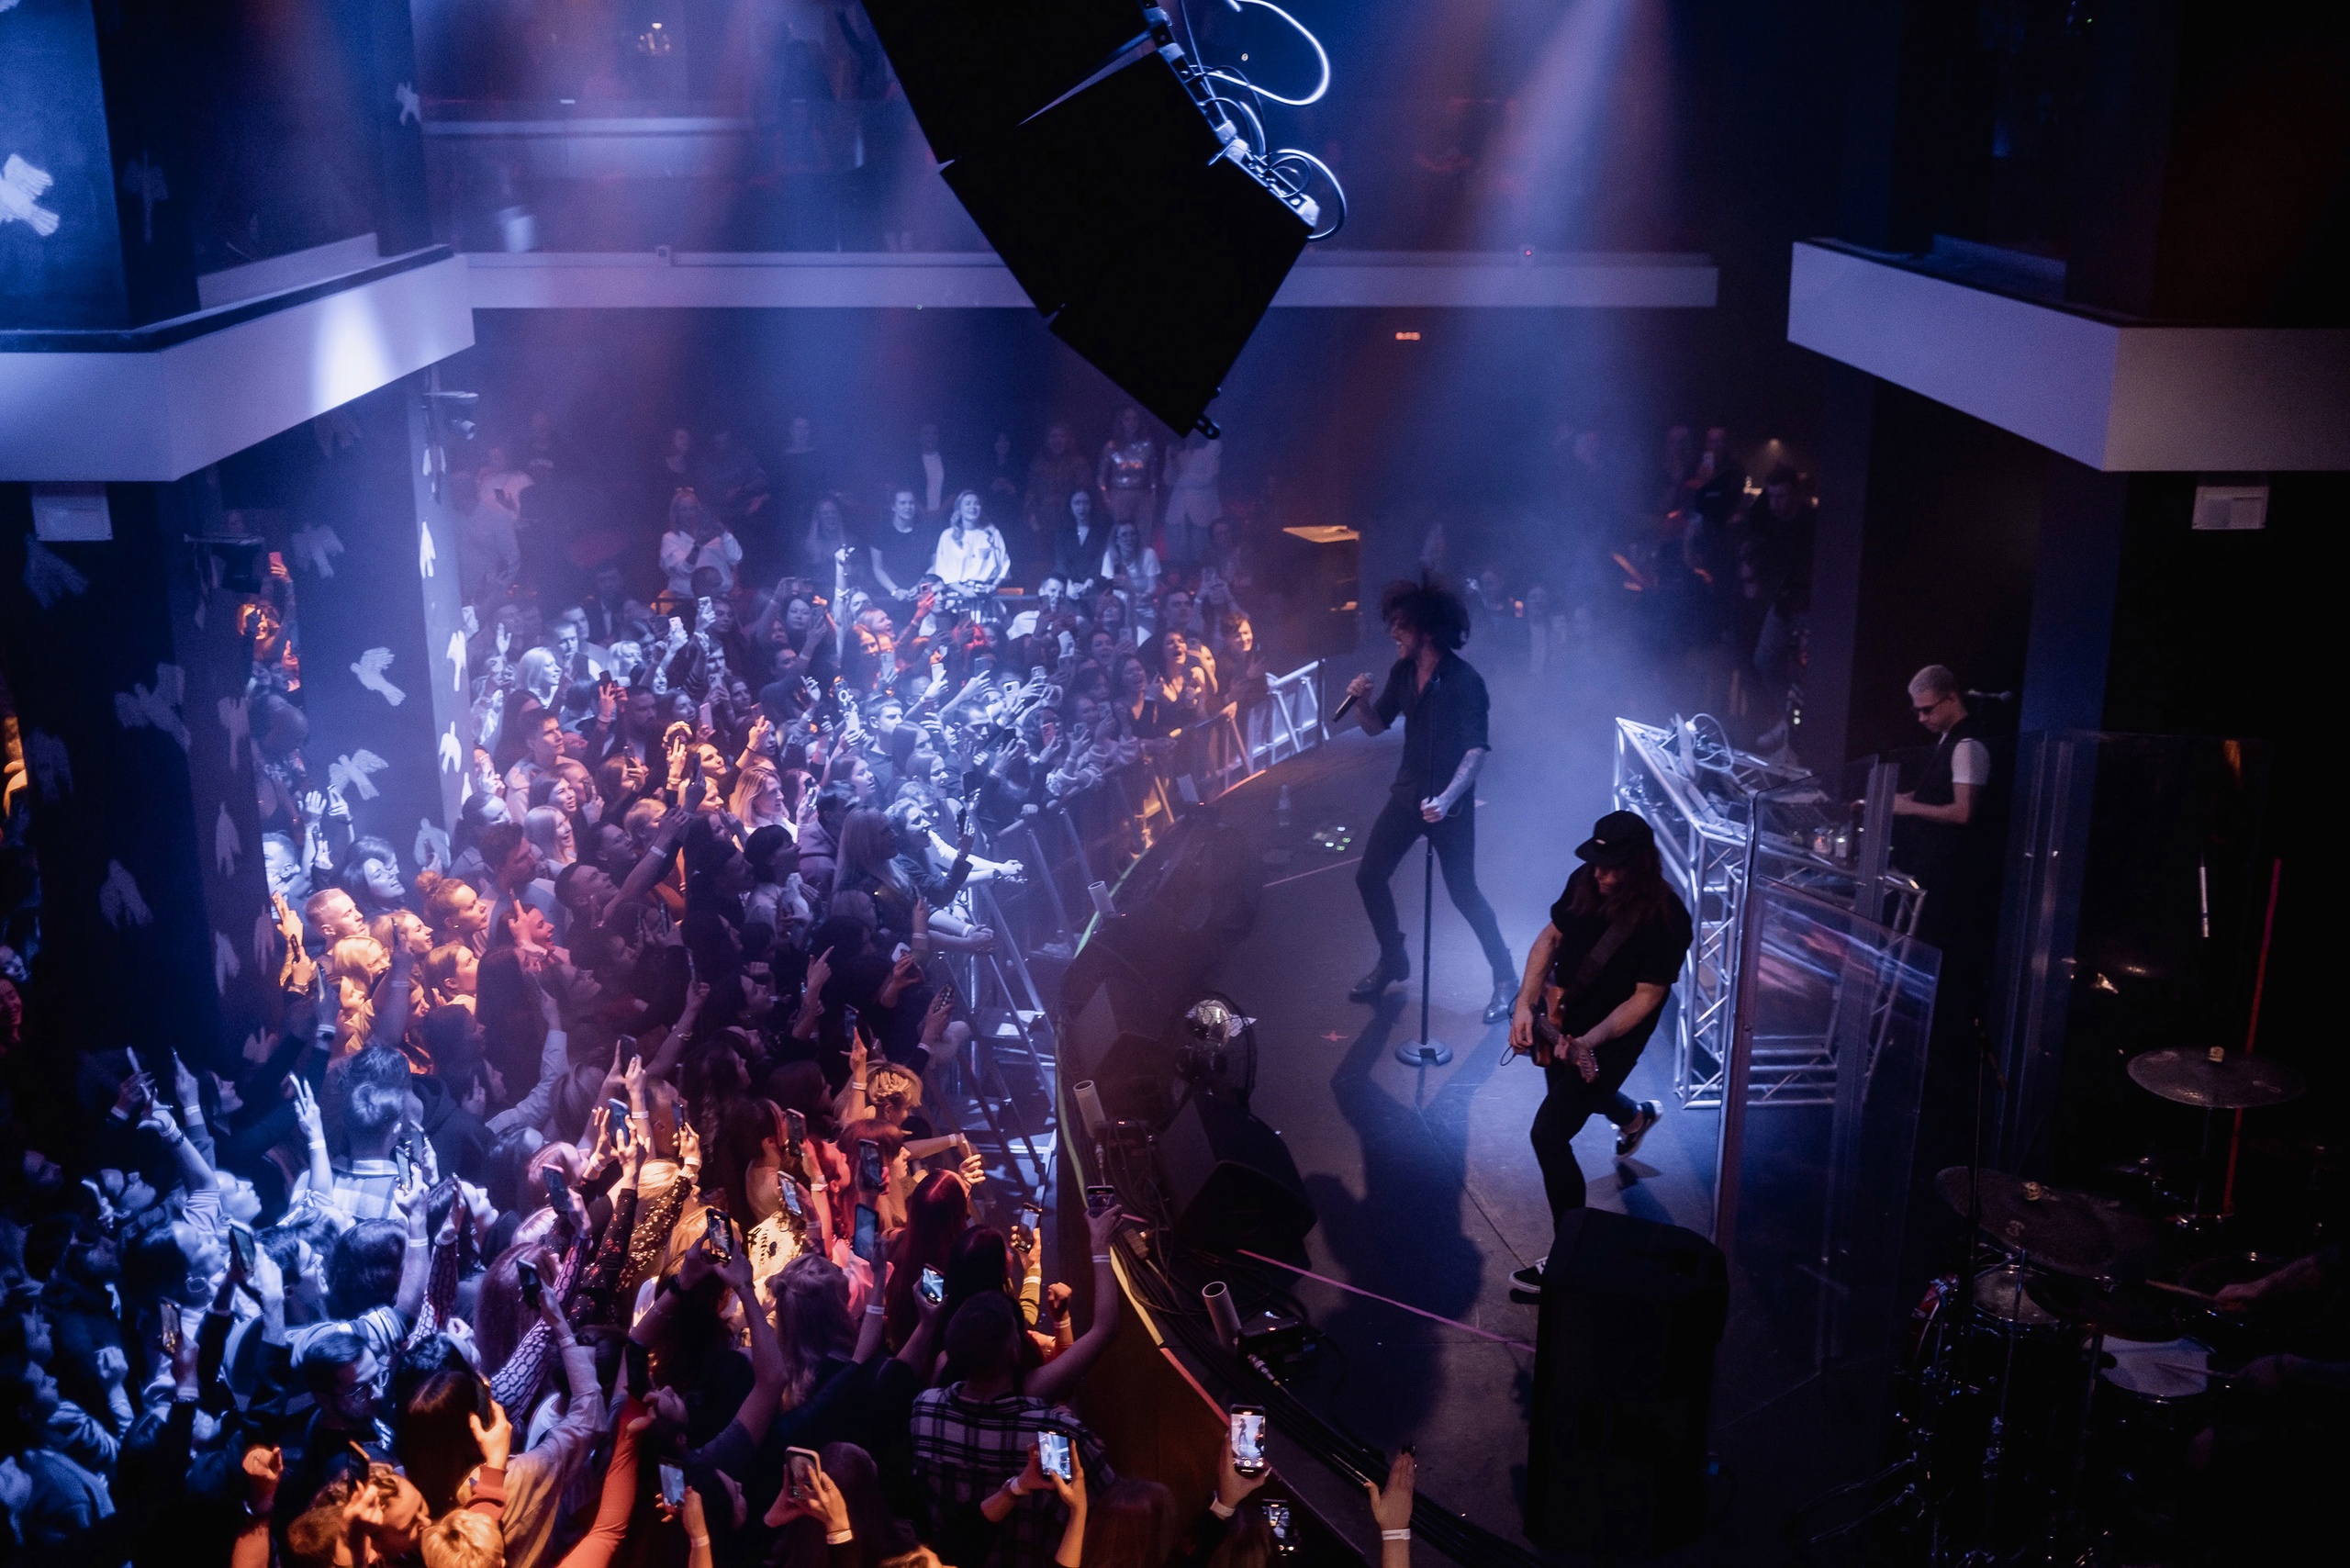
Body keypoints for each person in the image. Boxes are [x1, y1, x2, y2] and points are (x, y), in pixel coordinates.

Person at [1505, 811, 1692, 1292]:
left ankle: (1572, 1258)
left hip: (1616, 1031)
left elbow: (1646, 997)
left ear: (1641, 864)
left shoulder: (1667, 918)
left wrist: (1591, 1041)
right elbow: (1552, 936)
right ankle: (1634, 1118)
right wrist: (1525, 1004)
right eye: (1598, 864)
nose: (1602, 876)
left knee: (1550, 1134)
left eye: (1614, 868)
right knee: (1573, 1092)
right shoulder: (1585, 880)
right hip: (1565, 1013)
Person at [1340, 575, 1516, 1023]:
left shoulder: (1465, 681)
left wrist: (1447, 798)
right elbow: (1375, 727)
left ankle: (1505, 976)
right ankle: (1393, 959)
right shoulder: (1402, 673)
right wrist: (1360, 702)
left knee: (1464, 893)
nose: (1393, 633)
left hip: (1449, 806)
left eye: (1401, 625)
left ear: (1427, 630)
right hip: (1408, 795)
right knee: (1369, 877)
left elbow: (1476, 751)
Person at [931, 491, 1010, 600]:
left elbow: (1004, 562)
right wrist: (963, 590)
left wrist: (994, 585)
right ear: (959, 509)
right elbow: (942, 569)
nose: (972, 507)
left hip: (985, 595)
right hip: (957, 596)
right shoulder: (948, 536)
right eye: (968, 504)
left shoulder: (992, 534)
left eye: (976, 503)